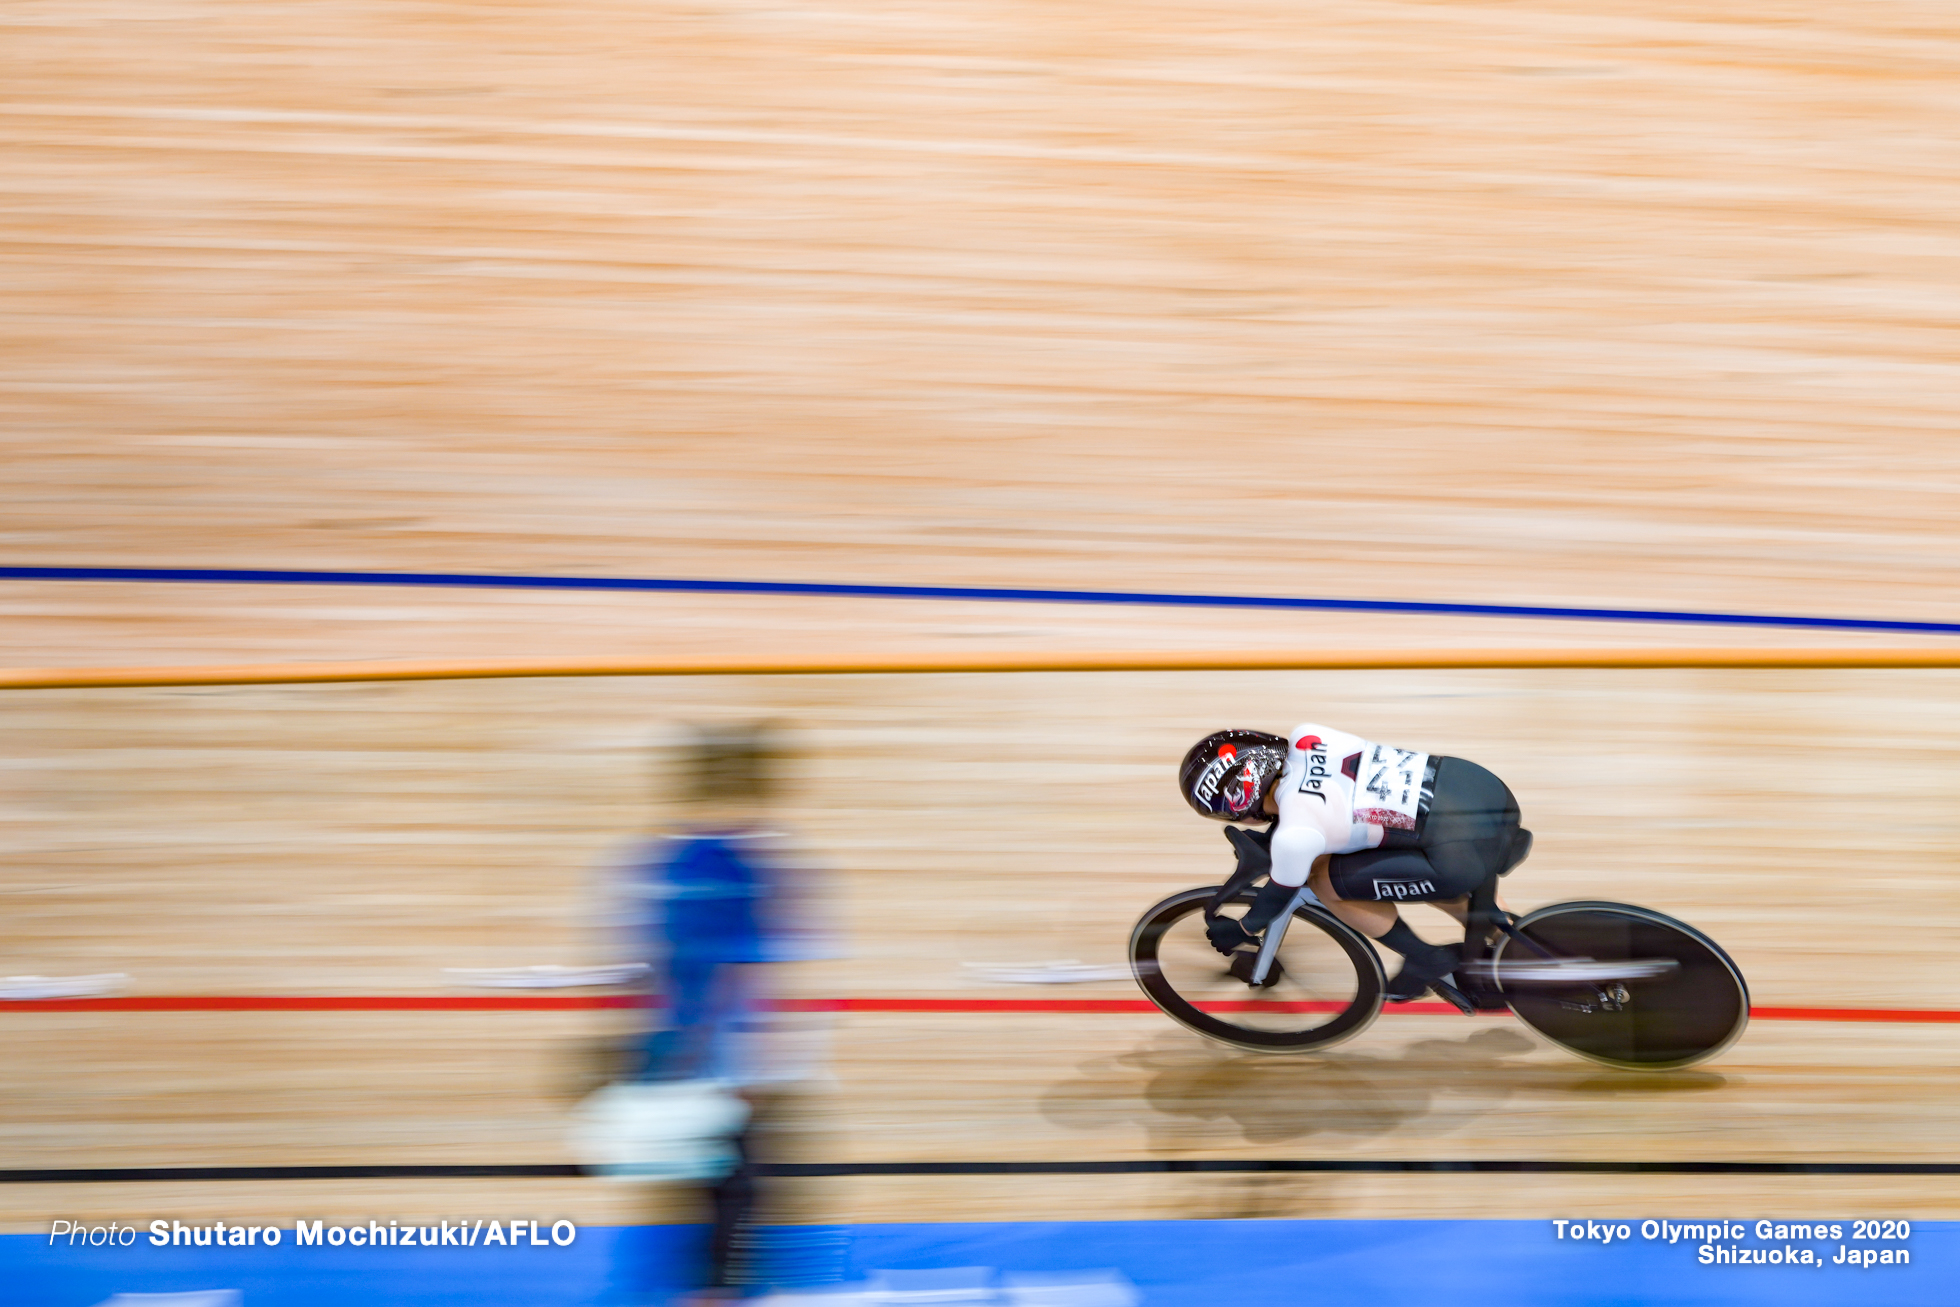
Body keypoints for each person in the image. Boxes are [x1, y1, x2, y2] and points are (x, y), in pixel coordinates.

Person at [1177, 725, 1530, 1004]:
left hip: (1458, 854)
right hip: (1484, 790)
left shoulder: (1297, 832)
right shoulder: (1308, 736)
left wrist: (1240, 931)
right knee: (1400, 859)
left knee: (1327, 884)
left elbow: (1275, 897)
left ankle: (1428, 959)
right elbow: (1337, 799)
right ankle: (1508, 934)